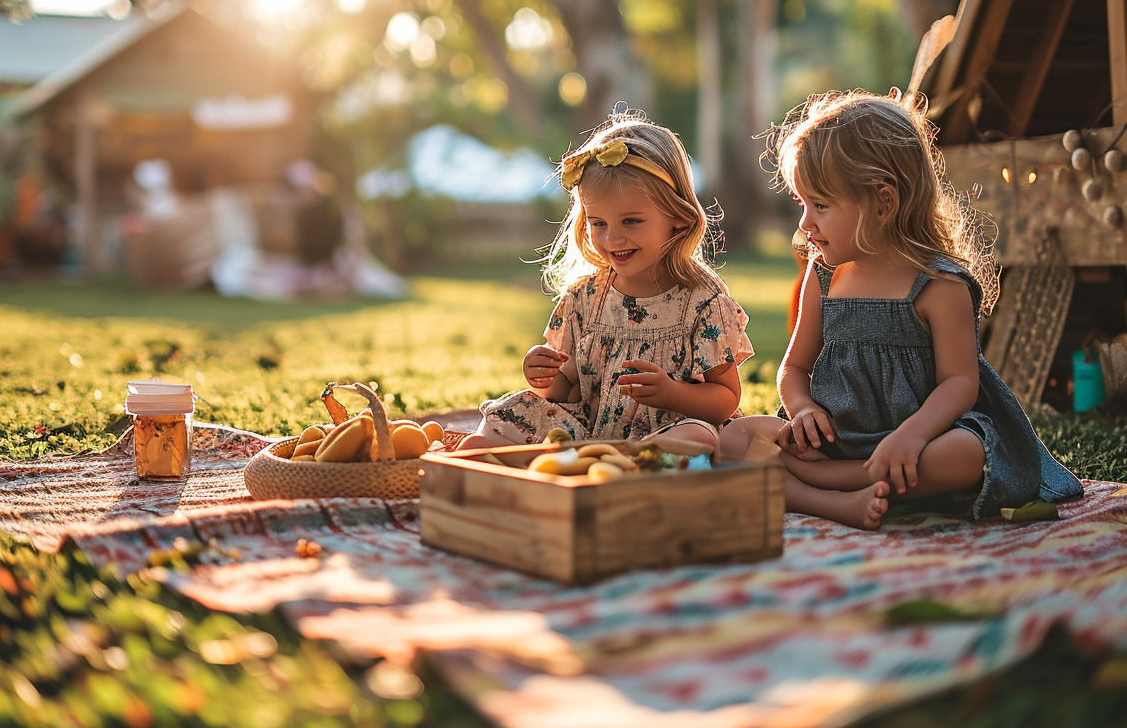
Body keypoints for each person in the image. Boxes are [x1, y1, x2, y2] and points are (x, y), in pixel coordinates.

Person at [721, 89, 1084, 529]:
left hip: (920, 442)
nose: (804, 224)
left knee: (966, 454)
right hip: (839, 436)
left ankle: (820, 485)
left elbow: (960, 383)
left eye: (820, 205)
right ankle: (836, 496)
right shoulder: (824, 277)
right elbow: (792, 368)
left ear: (883, 203)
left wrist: (910, 436)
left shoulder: (938, 285)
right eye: (803, 205)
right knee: (736, 435)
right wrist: (802, 410)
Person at [460, 103, 753, 453]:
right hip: (590, 437)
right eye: (599, 223)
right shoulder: (584, 298)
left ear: (677, 216)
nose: (612, 239)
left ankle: (604, 468)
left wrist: (673, 393)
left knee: (699, 437)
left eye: (631, 221)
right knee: (515, 408)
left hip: (663, 434)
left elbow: (726, 398)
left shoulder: (702, 303)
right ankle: (507, 459)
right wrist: (544, 378)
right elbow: (570, 392)